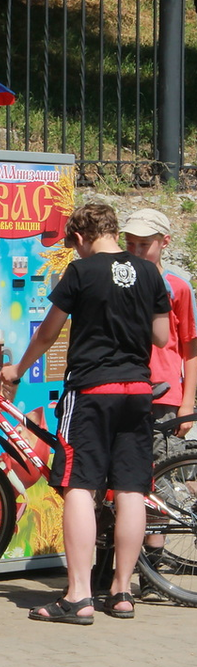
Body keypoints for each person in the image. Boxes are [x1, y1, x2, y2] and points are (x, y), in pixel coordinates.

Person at [0, 202, 169, 624]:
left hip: (92, 389)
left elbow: (50, 330)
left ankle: (78, 595)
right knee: (130, 488)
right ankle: (122, 591)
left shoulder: (80, 272)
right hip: (137, 389)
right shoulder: (149, 271)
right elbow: (162, 336)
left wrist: (17, 369)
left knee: (80, 485)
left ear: (78, 238)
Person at [120, 207, 197, 599]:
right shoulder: (119, 278)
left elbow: (190, 349)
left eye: (143, 245)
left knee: (161, 481)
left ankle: (156, 562)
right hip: (123, 388)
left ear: (164, 243)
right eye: (129, 244)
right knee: (130, 480)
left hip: (164, 396)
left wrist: (188, 402)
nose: (135, 251)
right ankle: (127, 566)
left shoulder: (178, 286)